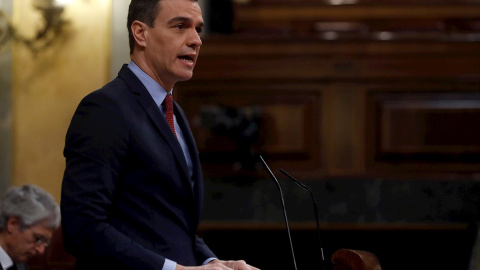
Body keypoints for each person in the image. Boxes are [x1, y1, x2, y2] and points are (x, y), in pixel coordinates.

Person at [60, 0, 259, 269]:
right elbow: (82, 228)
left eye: (198, 29)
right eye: (180, 26)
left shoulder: (173, 111)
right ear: (140, 33)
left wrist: (213, 261)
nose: (196, 40)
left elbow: (171, 224)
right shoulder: (105, 109)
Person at [0, 184, 60, 270]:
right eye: (38, 239)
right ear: (13, 224)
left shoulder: (20, 264)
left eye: (45, 242)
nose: (41, 251)